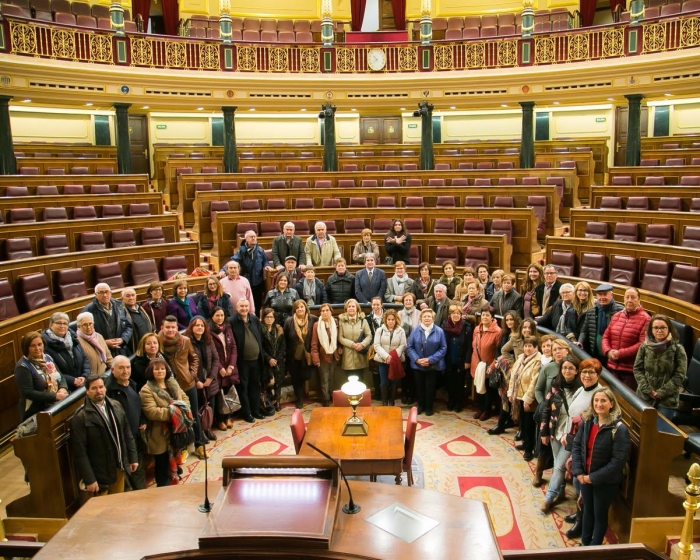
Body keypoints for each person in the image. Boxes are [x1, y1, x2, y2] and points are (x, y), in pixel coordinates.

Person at [571, 387, 630, 546]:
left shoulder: (619, 429)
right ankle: (585, 543)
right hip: (585, 476)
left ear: (611, 404)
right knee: (587, 510)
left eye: (603, 400)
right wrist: (578, 472)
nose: (599, 404)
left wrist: (592, 478)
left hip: (605, 481)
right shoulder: (588, 421)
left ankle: (595, 547)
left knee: (599, 513)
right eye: (596, 400)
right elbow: (577, 446)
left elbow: (618, 461)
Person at [70, 374, 138, 496]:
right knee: (103, 511)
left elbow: (127, 434)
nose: (99, 391)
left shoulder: (116, 405)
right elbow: (80, 452)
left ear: (105, 388)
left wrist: (133, 458)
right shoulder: (81, 417)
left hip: (119, 467)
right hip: (100, 474)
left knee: (118, 504)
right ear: (87, 391)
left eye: (101, 387)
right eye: (94, 388)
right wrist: (89, 479)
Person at [562, 358, 604, 539]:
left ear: (597, 374)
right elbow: (572, 415)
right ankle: (579, 513)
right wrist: (566, 435)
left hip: (588, 446)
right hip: (575, 441)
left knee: (583, 484)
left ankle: (581, 521)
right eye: (584, 372)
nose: (587, 375)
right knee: (577, 482)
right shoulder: (581, 389)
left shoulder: (600, 394)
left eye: (591, 372)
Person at [539, 356, 582, 512]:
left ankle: (549, 497)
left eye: (571, 368)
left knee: (559, 466)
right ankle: (561, 493)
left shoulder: (581, 389)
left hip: (571, 433)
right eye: (564, 368)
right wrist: (544, 431)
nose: (567, 371)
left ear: (576, 371)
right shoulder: (555, 385)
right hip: (555, 429)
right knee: (559, 462)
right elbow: (546, 408)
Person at [159, 315, 205, 459]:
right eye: (168, 327)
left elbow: (194, 358)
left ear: (177, 328)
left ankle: (199, 445)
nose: (171, 330)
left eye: (173, 327)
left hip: (188, 383)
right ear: (162, 328)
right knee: (178, 418)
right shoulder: (158, 342)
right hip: (170, 387)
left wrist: (192, 373)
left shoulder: (185, 341)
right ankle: (183, 447)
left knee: (194, 415)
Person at [140, 358, 189, 487]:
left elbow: (184, 398)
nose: (160, 371)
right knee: (162, 468)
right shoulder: (146, 389)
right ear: (151, 371)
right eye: (156, 369)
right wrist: (175, 413)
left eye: (162, 368)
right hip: (160, 434)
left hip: (176, 430)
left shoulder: (172, 382)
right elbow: (151, 411)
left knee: (174, 461)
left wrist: (184, 409)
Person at [633, 314, 687, 419]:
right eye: (656, 328)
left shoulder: (678, 349)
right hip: (644, 396)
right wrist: (648, 390)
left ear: (669, 329)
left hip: (667, 400)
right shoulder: (644, 346)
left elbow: (679, 375)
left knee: (660, 431)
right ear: (651, 330)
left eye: (663, 327)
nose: (659, 330)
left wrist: (660, 393)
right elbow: (637, 369)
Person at [106, 356, 147, 490]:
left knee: (138, 472)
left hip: (135, 437)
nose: (125, 371)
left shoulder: (131, 384)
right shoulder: (109, 391)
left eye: (128, 367)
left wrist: (142, 420)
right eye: (121, 368)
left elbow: (137, 406)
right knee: (126, 482)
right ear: (112, 370)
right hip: (121, 442)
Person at [601, 287, 651, 390]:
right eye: (627, 297)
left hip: (629, 371)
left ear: (639, 300)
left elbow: (642, 344)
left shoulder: (646, 319)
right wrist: (608, 351)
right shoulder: (617, 316)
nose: (629, 300)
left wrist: (620, 354)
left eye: (633, 297)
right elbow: (606, 336)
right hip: (612, 367)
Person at [15, 332, 69, 420]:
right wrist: (55, 397)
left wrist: (63, 388)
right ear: (26, 348)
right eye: (33, 346)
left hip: (55, 404)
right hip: (36, 410)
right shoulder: (23, 366)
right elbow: (27, 392)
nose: (37, 348)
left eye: (39, 344)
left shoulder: (47, 358)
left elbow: (61, 376)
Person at [227, 298, 264, 423]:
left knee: (255, 386)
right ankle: (247, 413)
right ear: (237, 308)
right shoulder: (231, 321)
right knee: (243, 388)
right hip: (241, 362)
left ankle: (256, 410)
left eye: (246, 306)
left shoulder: (254, 319)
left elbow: (260, 337)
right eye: (241, 306)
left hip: (256, 360)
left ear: (249, 307)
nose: (244, 309)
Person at [185, 316, 221, 442]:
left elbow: (216, 359)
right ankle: (200, 432)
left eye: (202, 325)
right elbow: (186, 364)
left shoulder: (208, 340)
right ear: (191, 327)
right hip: (196, 381)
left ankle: (208, 428)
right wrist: (196, 381)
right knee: (199, 409)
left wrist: (211, 377)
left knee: (210, 407)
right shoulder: (186, 342)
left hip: (209, 380)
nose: (199, 327)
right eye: (196, 325)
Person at [507, 335, 542, 461]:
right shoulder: (521, 357)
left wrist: (528, 399)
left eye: (530, 346)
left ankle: (529, 449)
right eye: (526, 346)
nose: (527, 349)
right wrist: (510, 392)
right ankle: (525, 443)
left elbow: (534, 381)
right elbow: (513, 375)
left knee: (529, 424)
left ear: (536, 347)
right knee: (522, 422)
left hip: (529, 398)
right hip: (519, 395)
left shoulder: (538, 360)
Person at [407, 308, 447, 416]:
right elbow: (410, 347)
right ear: (421, 318)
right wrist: (417, 359)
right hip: (418, 365)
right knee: (419, 387)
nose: (427, 318)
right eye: (424, 316)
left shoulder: (439, 331)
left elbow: (443, 348)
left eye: (429, 316)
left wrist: (430, 359)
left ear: (433, 318)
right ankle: (421, 406)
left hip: (433, 365)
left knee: (430, 387)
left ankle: (429, 407)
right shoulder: (415, 330)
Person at [222, 230, 268, 313]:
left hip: (258, 282)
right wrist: (223, 270)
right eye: (251, 237)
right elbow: (232, 261)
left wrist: (266, 265)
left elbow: (265, 261)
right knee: (246, 303)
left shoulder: (260, 250)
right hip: (247, 281)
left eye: (254, 236)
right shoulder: (241, 251)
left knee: (257, 305)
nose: (254, 238)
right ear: (246, 239)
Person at [42, 312, 89, 391]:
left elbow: (85, 358)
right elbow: (52, 371)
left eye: (65, 323)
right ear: (50, 325)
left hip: (82, 382)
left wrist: (84, 376)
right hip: (64, 388)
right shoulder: (45, 345)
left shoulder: (73, 338)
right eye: (59, 323)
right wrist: (73, 380)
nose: (62, 326)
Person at [283, 299, 318, 409]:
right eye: (297, 308)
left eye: (301, 307)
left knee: (306, 376)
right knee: (296, 378)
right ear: (294, 310)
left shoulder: (313, 319)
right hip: (293, 355)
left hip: (307, 354)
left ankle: (308, 394)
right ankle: (300, 399)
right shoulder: (289, 321)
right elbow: (285, 338)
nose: (300, 309)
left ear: (305, 308)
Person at [577, 283, 623, 363]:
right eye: (599, 295)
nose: (602, 297)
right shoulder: (591, 311)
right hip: (595, 354)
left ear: (612, 295)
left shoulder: (621, 311)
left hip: (613, 355)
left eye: (605, 294)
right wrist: (580, 342)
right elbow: (584, 330)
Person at [82, 283, 133, 357]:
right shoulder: (89, 310)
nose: (105, 295)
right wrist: (103, 342)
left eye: (106, 292)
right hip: (101, 352)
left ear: (111, 293)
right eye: (101, 293)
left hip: (121, 349)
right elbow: (84, 334)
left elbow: (128, 326)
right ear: (96, 294)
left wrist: (123, 339)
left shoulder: (120, 305)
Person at [471, 305, 502, 421]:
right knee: (479, 386)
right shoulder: (477, 329)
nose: (484, 317)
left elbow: (499, 351)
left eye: (487, 315)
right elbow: (474, 347)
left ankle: (487, 410)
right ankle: (480, 408)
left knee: (489, 389)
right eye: (483, 315)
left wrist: (493, 366)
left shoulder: (498, 332)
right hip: (478, 363)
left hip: (490, 365)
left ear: (492, 317)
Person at [208, 306, 238, 426]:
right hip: (217, 368)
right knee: (219, 394)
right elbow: (211, 352)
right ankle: (219, 420)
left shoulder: (228, 328)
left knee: (228, 391)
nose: (220, 318)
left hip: (229, 366)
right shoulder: (208, 331)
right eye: (217, 315)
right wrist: (220, 368)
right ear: (212, 316)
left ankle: (228, 417)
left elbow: (234, 347)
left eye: (222, 315)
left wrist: (231, 365)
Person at [441, 305, 473, 413]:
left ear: (461, 315)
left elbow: (469, 346)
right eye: (453, 313)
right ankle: (451, 401)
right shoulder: (444, 326)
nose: (455, 315)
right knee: (450, 382)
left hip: (461, 359)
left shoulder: (467, 327)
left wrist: (467, 361)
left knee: (459, 383)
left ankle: (458, 403)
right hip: (449, 358)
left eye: (458, 313)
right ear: (450, 315)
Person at [373, 309, 407, 406]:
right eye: (389, 319)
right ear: (385, 320)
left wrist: (393, 357)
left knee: (394, 381)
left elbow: (403, 345)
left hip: (396, 360)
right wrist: (386, 356)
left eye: (392, 319)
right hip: (383, 360)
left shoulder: (401, 331)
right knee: (384, 382)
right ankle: (384, 402)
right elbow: (377, 345)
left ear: (396, 320)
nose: (391, 321)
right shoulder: (380, 330)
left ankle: (392, 401)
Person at [311, 303, 342, 406]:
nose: (325, 312)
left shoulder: (336, 323)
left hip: (334, 355)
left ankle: (332, 396)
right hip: (322, 356)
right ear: (320, 313)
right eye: (323, 311)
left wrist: (340, 348)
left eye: (327, 310)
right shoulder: (317, 325)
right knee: (324, 379)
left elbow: (339, 339)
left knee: (332, 378)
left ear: (331, 311)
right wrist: (316, 359)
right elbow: (314, 343)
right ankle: (325, 399)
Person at [338, 298, 372, 383]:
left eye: (353, 306)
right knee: (348, 380)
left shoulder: (363, 321)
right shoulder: (342, 321)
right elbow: (340, 338)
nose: (351, 308)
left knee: (360, 380)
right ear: (346, 309)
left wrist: (362, 345)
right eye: (349, 306)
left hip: (360, 355)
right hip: (348, 355)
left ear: (357, 308)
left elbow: (369, 335)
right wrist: (352, 344)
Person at [260, 307, 286, 411]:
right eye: (267, 317)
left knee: (278, 382)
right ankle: (269, 400)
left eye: (271, 317)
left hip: (278, 361)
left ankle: (277, 400)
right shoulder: (260, 330)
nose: (269, 319)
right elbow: (260, 347)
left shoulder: (279, 329)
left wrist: (276, 359)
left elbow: (282, 346)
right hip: (266, 361)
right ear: (263, 318)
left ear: (274, 318)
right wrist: (269, 359)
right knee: (268, 382)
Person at [398, 292, 421, 404]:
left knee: (413, 373)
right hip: (402, 348)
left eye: (410, 300)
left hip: (415, 349)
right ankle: (404, 393)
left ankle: (412, 394)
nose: (408, 302)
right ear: (403, 302)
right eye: (406, 300)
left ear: (413, 302)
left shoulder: (419, 314)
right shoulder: (399, 314)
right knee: (403, 372)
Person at [121, 287, 154, 354]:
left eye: (133, 295)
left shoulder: (141, 308)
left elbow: (149, 323)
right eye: (128, 296)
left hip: (149, 344)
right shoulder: (121, 312)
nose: (131, 298)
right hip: (135, 348)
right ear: (122, 298)